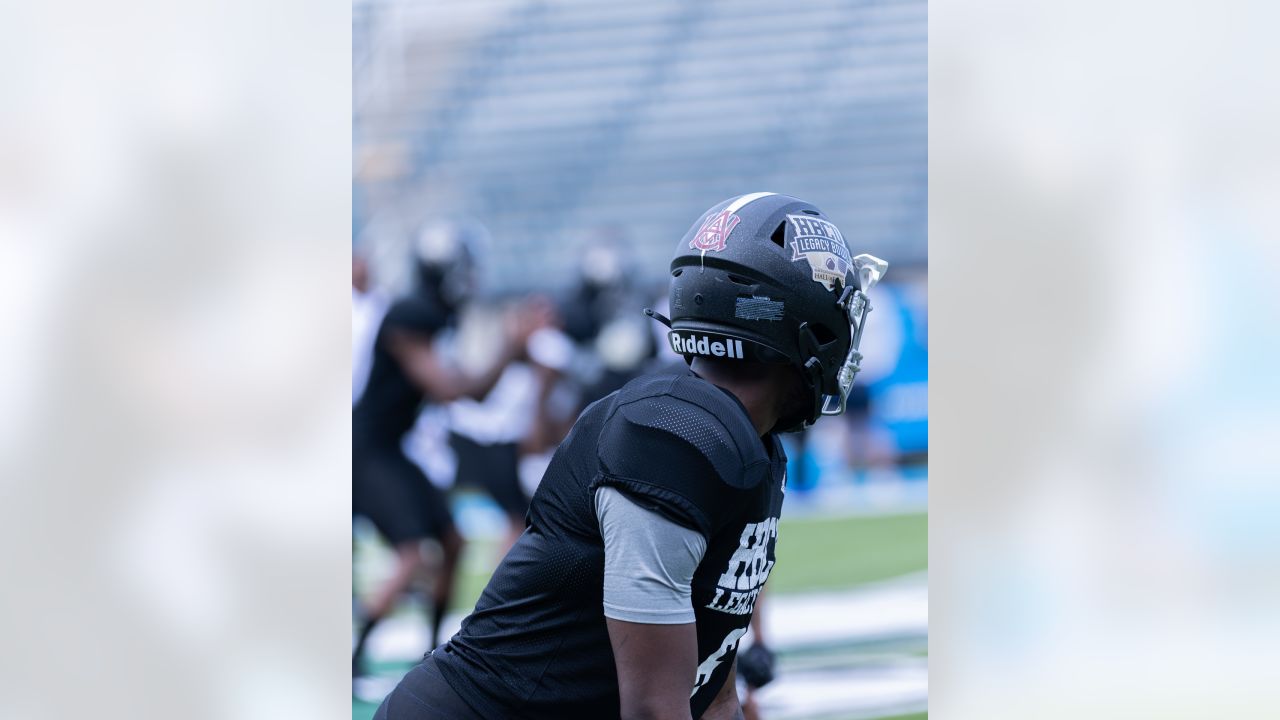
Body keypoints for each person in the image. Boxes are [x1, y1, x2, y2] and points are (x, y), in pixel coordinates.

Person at [374, 192, 887, 719]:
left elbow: (712, 686)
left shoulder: (752, 447)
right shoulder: (671, 437)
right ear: (787, 316)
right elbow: (653, 710)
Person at [352, 219, 545, 677]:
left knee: (454, 542)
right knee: (414, 552)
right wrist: (507, 347)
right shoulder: (409, 314)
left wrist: (511, 354)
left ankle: (430, 653)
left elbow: (471, 391)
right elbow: (448, 388)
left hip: (393, 447)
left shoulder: (432, 314)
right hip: (367, 449)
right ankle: (352, 652)